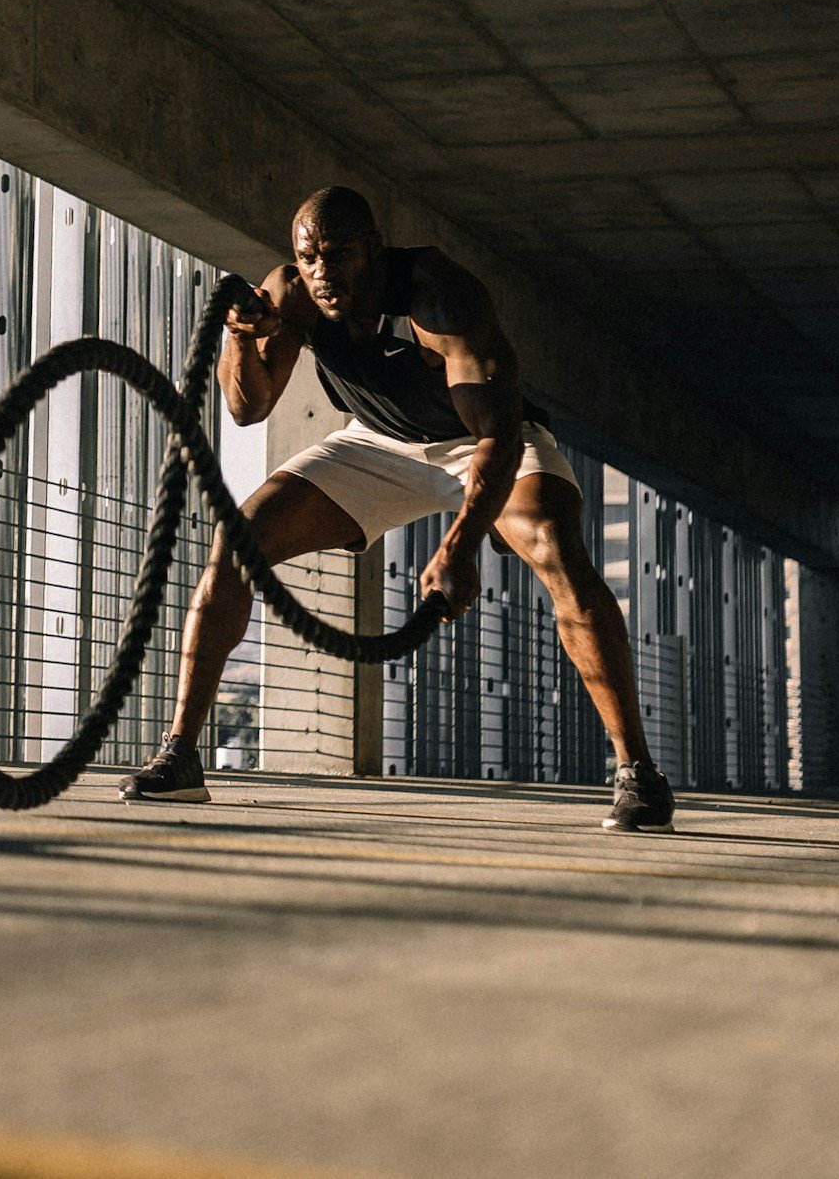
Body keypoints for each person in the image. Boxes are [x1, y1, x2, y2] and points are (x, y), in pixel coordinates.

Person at [120, 185, 674, 831]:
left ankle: (638, 773)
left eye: (339, 254)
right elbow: (248, 408)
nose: (323, 272)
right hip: (377, 443)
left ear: (374, 250)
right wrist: (241, 339)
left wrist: (460, 545)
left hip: (483, 442)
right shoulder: (294, 293)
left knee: (556, 546)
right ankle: (181, 755)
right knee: (238, 540)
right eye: (309, 257)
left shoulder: (439, 296)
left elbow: (496, 434)